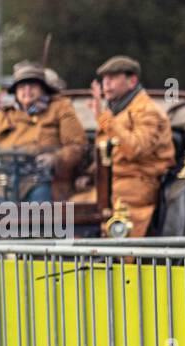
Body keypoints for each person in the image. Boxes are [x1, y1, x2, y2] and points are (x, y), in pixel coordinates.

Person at [72, 55, 175, 237]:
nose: (106, 83)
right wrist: (89, 175)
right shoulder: (117, 110)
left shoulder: (148, 111)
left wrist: (104, 117)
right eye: (104, 79)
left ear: (132, 80)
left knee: (118, 232)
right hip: (109, 184)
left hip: (136, 186)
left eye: (112, 78)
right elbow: (108, 152)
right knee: (70, 208)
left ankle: (117, 263)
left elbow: (135, 148)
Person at [0, 61, 86, 201]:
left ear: (42, 88)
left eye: (33, 85)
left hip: (43, 179)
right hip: (4, 179)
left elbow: (77, 146)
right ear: (16, 91)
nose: (27, 90)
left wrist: (55, 158)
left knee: (37, 209)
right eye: (22, 86)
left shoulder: (60, 108)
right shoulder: (3, 114)